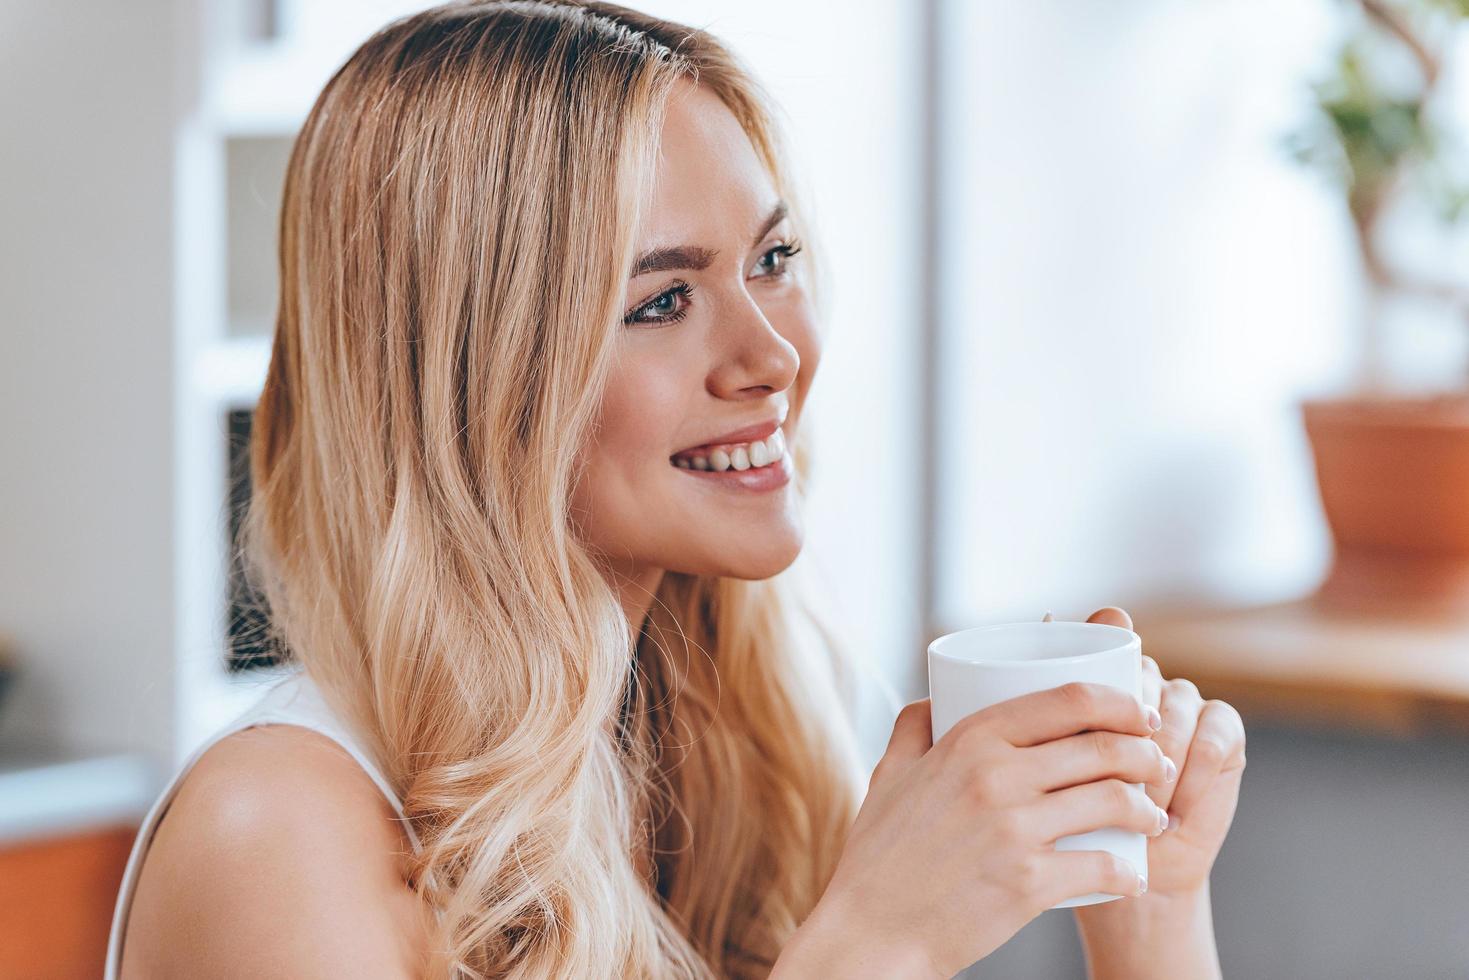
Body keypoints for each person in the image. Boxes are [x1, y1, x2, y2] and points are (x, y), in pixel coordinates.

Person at [107, 2, 1247, 977]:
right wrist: (874, 940)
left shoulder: (761, 738)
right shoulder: (275, 834)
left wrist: (1147, 911)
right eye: (660, 300)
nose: (770, 353)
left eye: (771, 260)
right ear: (471, 378)